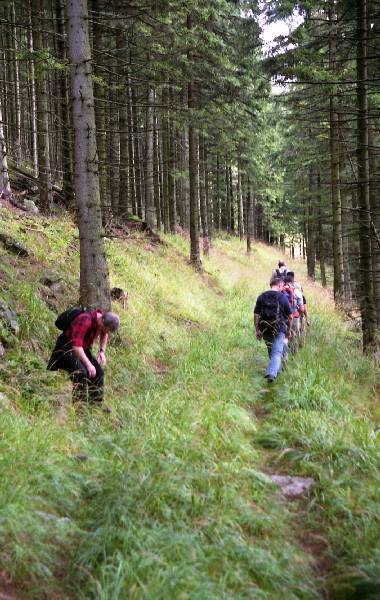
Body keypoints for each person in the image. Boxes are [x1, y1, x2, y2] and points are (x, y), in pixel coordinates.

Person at [47, 309, 120, 406]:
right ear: (102, 322)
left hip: (82, 349)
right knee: (81, 372)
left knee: (99, 373)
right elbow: (76, 347)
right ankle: (79, 406)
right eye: (106, 329)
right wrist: (89, 365)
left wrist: (102, 351)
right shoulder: (84, 320)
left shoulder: (102, 320)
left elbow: (104, 333)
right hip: (65, 349)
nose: (106, 332)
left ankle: (95, 406)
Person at [254, 276, 292, 382]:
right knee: (276, 352)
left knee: (272, 351)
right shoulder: (282, 297)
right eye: (282, 286)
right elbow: (290, 316)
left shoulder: (261, 297)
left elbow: (256, 315)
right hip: (279, 328)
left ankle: (274, 372)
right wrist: (288, 330)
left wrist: (257, 330)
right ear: (279, 285)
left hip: (265, 328)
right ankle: (272, 373)